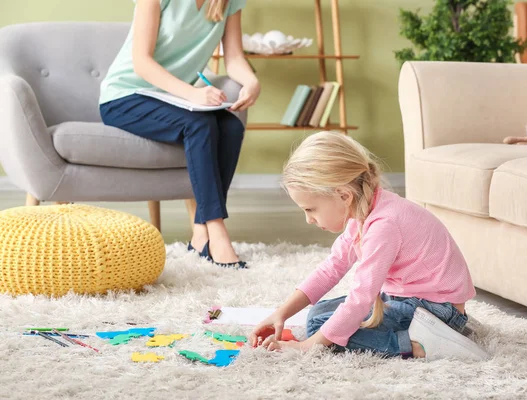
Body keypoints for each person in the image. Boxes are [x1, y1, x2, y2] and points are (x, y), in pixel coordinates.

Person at [249, 131, 489, 361]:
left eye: (310, 209)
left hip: (436, 310)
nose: (308, 219)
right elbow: (331, 269)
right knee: (318, 314)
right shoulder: (365, 210)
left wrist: (306, 346)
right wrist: (280, 313)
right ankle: (431, 333)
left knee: (318, 328)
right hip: (414, 299)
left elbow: (361, 297)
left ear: (343, 195)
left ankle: (418, 346)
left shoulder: (383, 225)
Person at [99, 0, 259, 268]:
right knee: (199, 125)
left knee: (231, 126)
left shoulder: (228, 2)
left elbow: (233, 58)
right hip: (124, 97)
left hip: (170, 98)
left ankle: (200, 233)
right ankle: (216, 230)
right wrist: (193, 93)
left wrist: (251, 81)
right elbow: (142, 63)